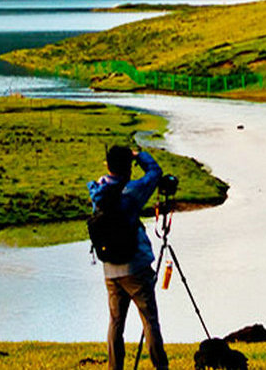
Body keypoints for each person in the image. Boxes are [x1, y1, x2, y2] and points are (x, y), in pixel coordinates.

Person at [88, 145, 168, 370]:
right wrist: (139, 155)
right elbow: (155, 172)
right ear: (128, 167)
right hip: (136, 267)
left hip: (110, 268)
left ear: (107, 165)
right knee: (149, 320)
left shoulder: (99, 193)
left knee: (115, 323)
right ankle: (160, 367)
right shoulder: (132, 191)